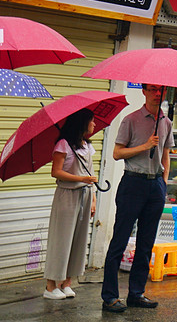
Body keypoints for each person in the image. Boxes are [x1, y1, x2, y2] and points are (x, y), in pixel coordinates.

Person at [102, 83, 174, 314]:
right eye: (152, 89)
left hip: (155, 185)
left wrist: (164, 180)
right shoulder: (131, 119)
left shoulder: (166, 122)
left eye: (160, 90)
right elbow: (117, 153)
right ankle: (110, 296)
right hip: (133, 182)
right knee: (120, 241)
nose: (156, 93)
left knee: (146, 243)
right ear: (144, 91)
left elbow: (165, 153)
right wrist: (144, 146)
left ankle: (136, 293)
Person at [43, 109, 97, 300]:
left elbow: (90, 173)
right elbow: (56, 172)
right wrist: (80, 178)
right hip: (67, 194)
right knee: (61, 240)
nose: (94, 125)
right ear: (82, 123)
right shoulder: (63, 144)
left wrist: (93, 200)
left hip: (85, 194)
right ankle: (50, 286)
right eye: (92, 121)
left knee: (78, 241)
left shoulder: (87, 146)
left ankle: (67, 282)